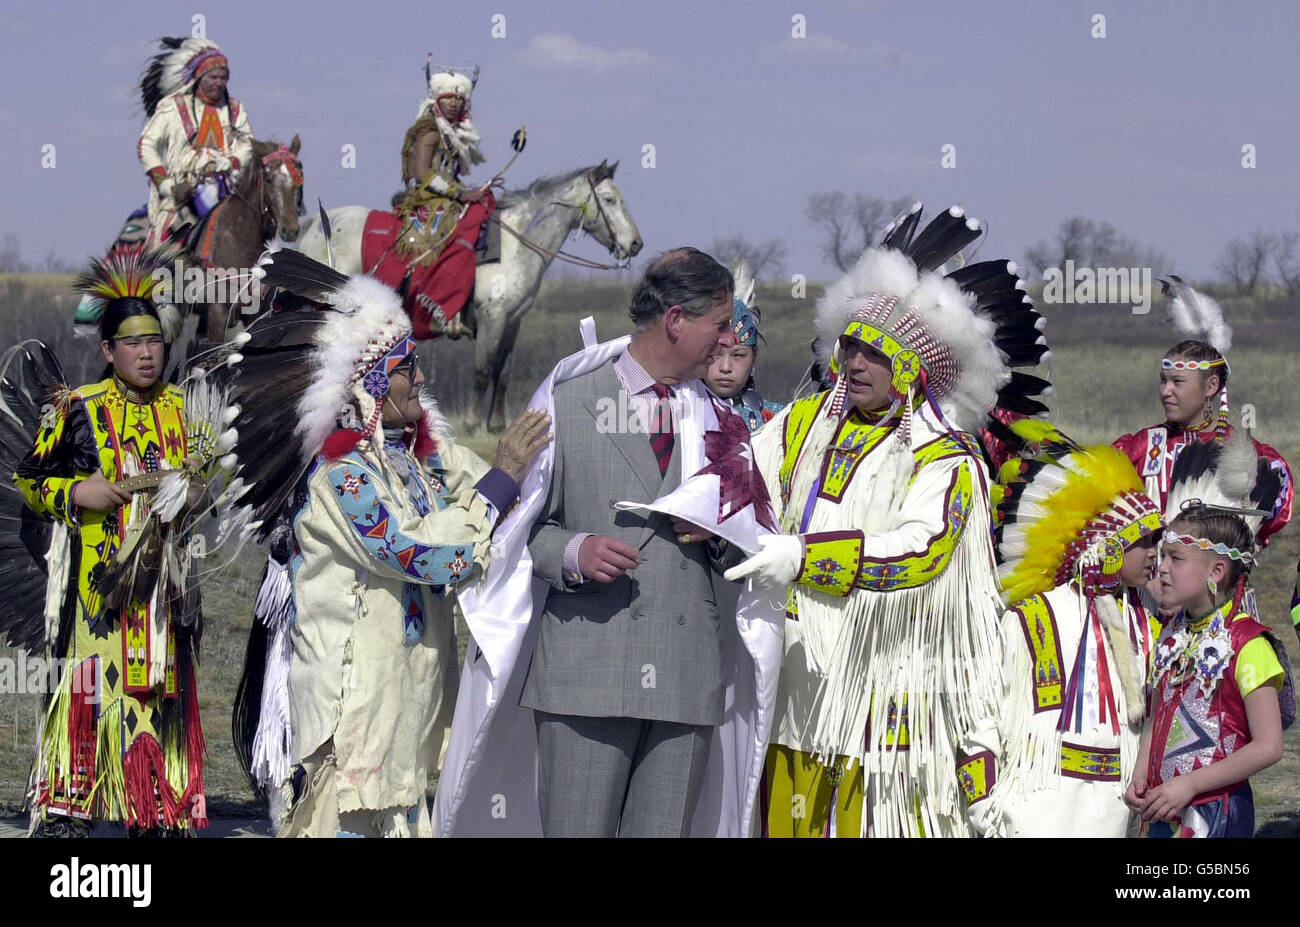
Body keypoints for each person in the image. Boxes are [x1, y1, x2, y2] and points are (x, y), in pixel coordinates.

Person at [725, 204, 1052, 837]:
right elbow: (736, 482)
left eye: (873, 354)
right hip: (795, 686)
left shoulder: (947, 459)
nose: (852, 364)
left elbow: (920, 550)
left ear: (911, 370)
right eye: (849, 347)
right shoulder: (802, 426)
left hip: (886, 696)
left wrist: (804, 555)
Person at [224, 250, 549, 837]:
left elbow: (495, 487)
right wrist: (501, 482)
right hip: (354, 714)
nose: (421, 379)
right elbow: (413, 552)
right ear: (373, 381)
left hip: (406, 705)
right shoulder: (340, 478)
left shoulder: (419, 459)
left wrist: (534, 467)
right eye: (408, 368)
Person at [12, 244, 209, 836]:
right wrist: (78, 493)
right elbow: (28, 480)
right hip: (98, 600)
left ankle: (153, 804)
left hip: (166, 599)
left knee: (160, 701)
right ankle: (71, 810)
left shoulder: (185, 410)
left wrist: (198, 494)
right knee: (88, 698)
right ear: (107, 350)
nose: (147, 353)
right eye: (132, 343)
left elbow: (210, 480)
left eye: (154, 341)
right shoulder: (77, 410)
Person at [960, 427, 1164, 837]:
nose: (1155, 554)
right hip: (1034, 808)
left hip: (1114, 811)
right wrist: (985, 808)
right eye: (1144, 541)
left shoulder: (1146, 627)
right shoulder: (1031, 619)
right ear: (1107, 544)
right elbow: (981, 716)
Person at [1126, 434, 1290, 837]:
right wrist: (1141, 771)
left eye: (1175, 558)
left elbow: (1268, 746)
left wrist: (1191, 784)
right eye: (1161, 555)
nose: (1160, 567)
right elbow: (1157, 711)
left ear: (1217, 573)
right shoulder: (1171, 636)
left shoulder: (1248, 644)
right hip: (1165, 806)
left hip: (1217, 814)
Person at [1113, 275, 1291, 549]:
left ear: (1211, 386)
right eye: (1163, 380)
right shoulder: (1140, 449)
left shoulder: (1254, 461)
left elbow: (1261, 526)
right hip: (1147, 590)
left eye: (1178, 382)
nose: (1166, 391)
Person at [383, 63, 491, 339]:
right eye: (448, 99)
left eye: (459, 100)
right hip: (430, 201)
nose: (454, 104)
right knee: (457, 229)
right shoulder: (429, 130)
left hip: (448, 196)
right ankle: (440, 308)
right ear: (436, 101)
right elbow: (422, 175)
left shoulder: (451, 134)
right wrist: (460, 194)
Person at [138, 37, 253, 245]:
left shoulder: (235, 110)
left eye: (223, 78)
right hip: (181, 194)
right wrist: (167, 185)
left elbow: (247, 145)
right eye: (213, 77)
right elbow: (146, 145)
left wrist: (231, 163)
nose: (219, 83)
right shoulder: (173, 108)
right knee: (163, 246)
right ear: (198, 78)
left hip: (230, 190)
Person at [703, 260, 783, 432]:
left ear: (754, 358)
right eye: (716, 353)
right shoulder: (676, 416)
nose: (725, 368)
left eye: (738, 355)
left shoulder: (779, 423)